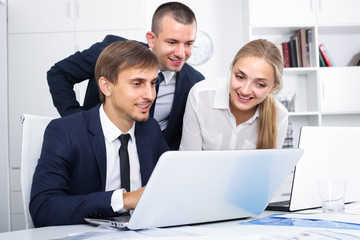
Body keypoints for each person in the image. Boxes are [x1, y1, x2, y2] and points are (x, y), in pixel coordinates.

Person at [30, 41, 169, 227]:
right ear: (106, 86)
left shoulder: (150, 129)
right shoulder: (65, 132)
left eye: (153, 83)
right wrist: (125, 200)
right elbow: (44, 209)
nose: (150, 95)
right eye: (137, 84)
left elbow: (169, 189)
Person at [47, 2, 204, 150]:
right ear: (152, 39)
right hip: (97, 148)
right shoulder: (113, 52)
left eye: (188, 43)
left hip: (150, 161)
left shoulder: (194, 82)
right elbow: (59, 73)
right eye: (172, 42)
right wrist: (79, 119)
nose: (181, 53)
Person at [180, 39, 288, 150]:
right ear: (232, 70)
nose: (245, 91)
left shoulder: (279, 116)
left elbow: (269, 166)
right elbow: (188, 159)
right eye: (240, 77)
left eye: (260, 84)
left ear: (273, 88)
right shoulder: (200, 96)